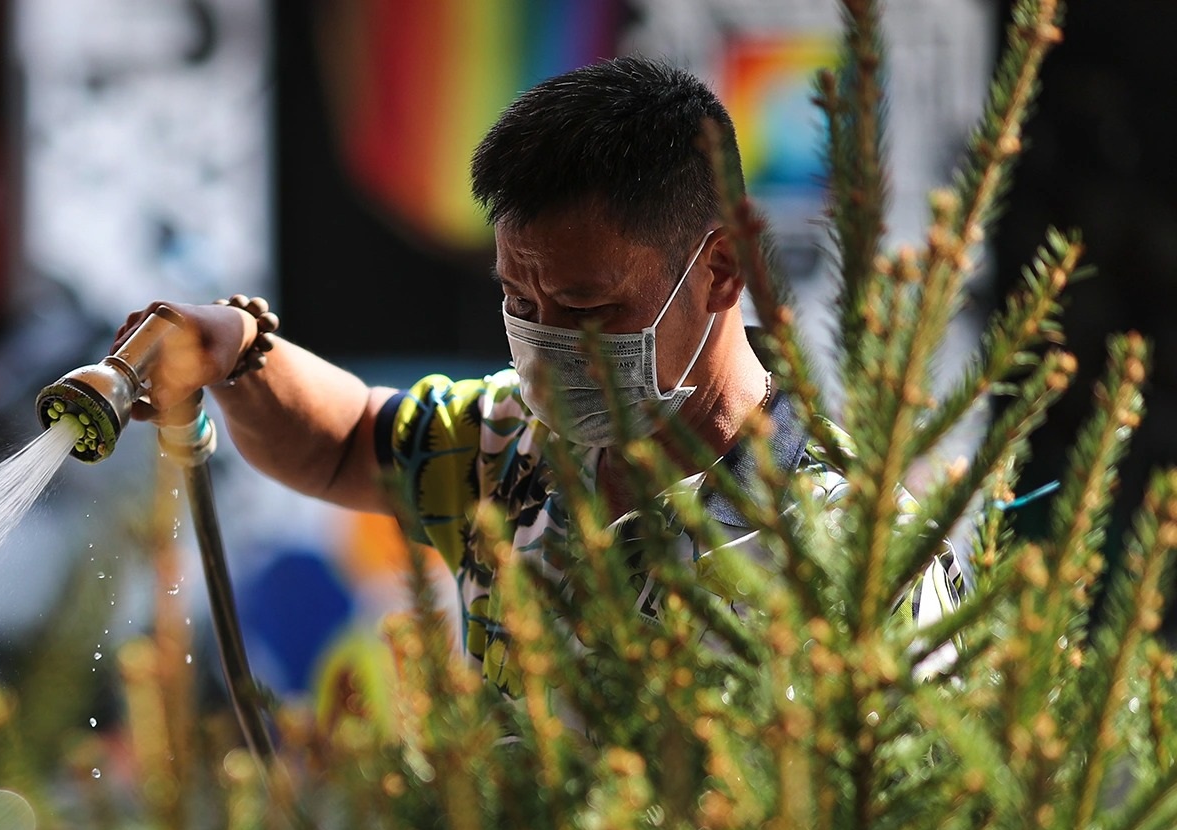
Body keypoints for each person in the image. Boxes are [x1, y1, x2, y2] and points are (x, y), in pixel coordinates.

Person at [110, 56, 966, 695]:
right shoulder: (514, 451)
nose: (546, 346)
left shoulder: (853, 547)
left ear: (722, 271)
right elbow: (342, 443)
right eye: (519, 299)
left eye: (589, 305)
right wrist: (236, 349)